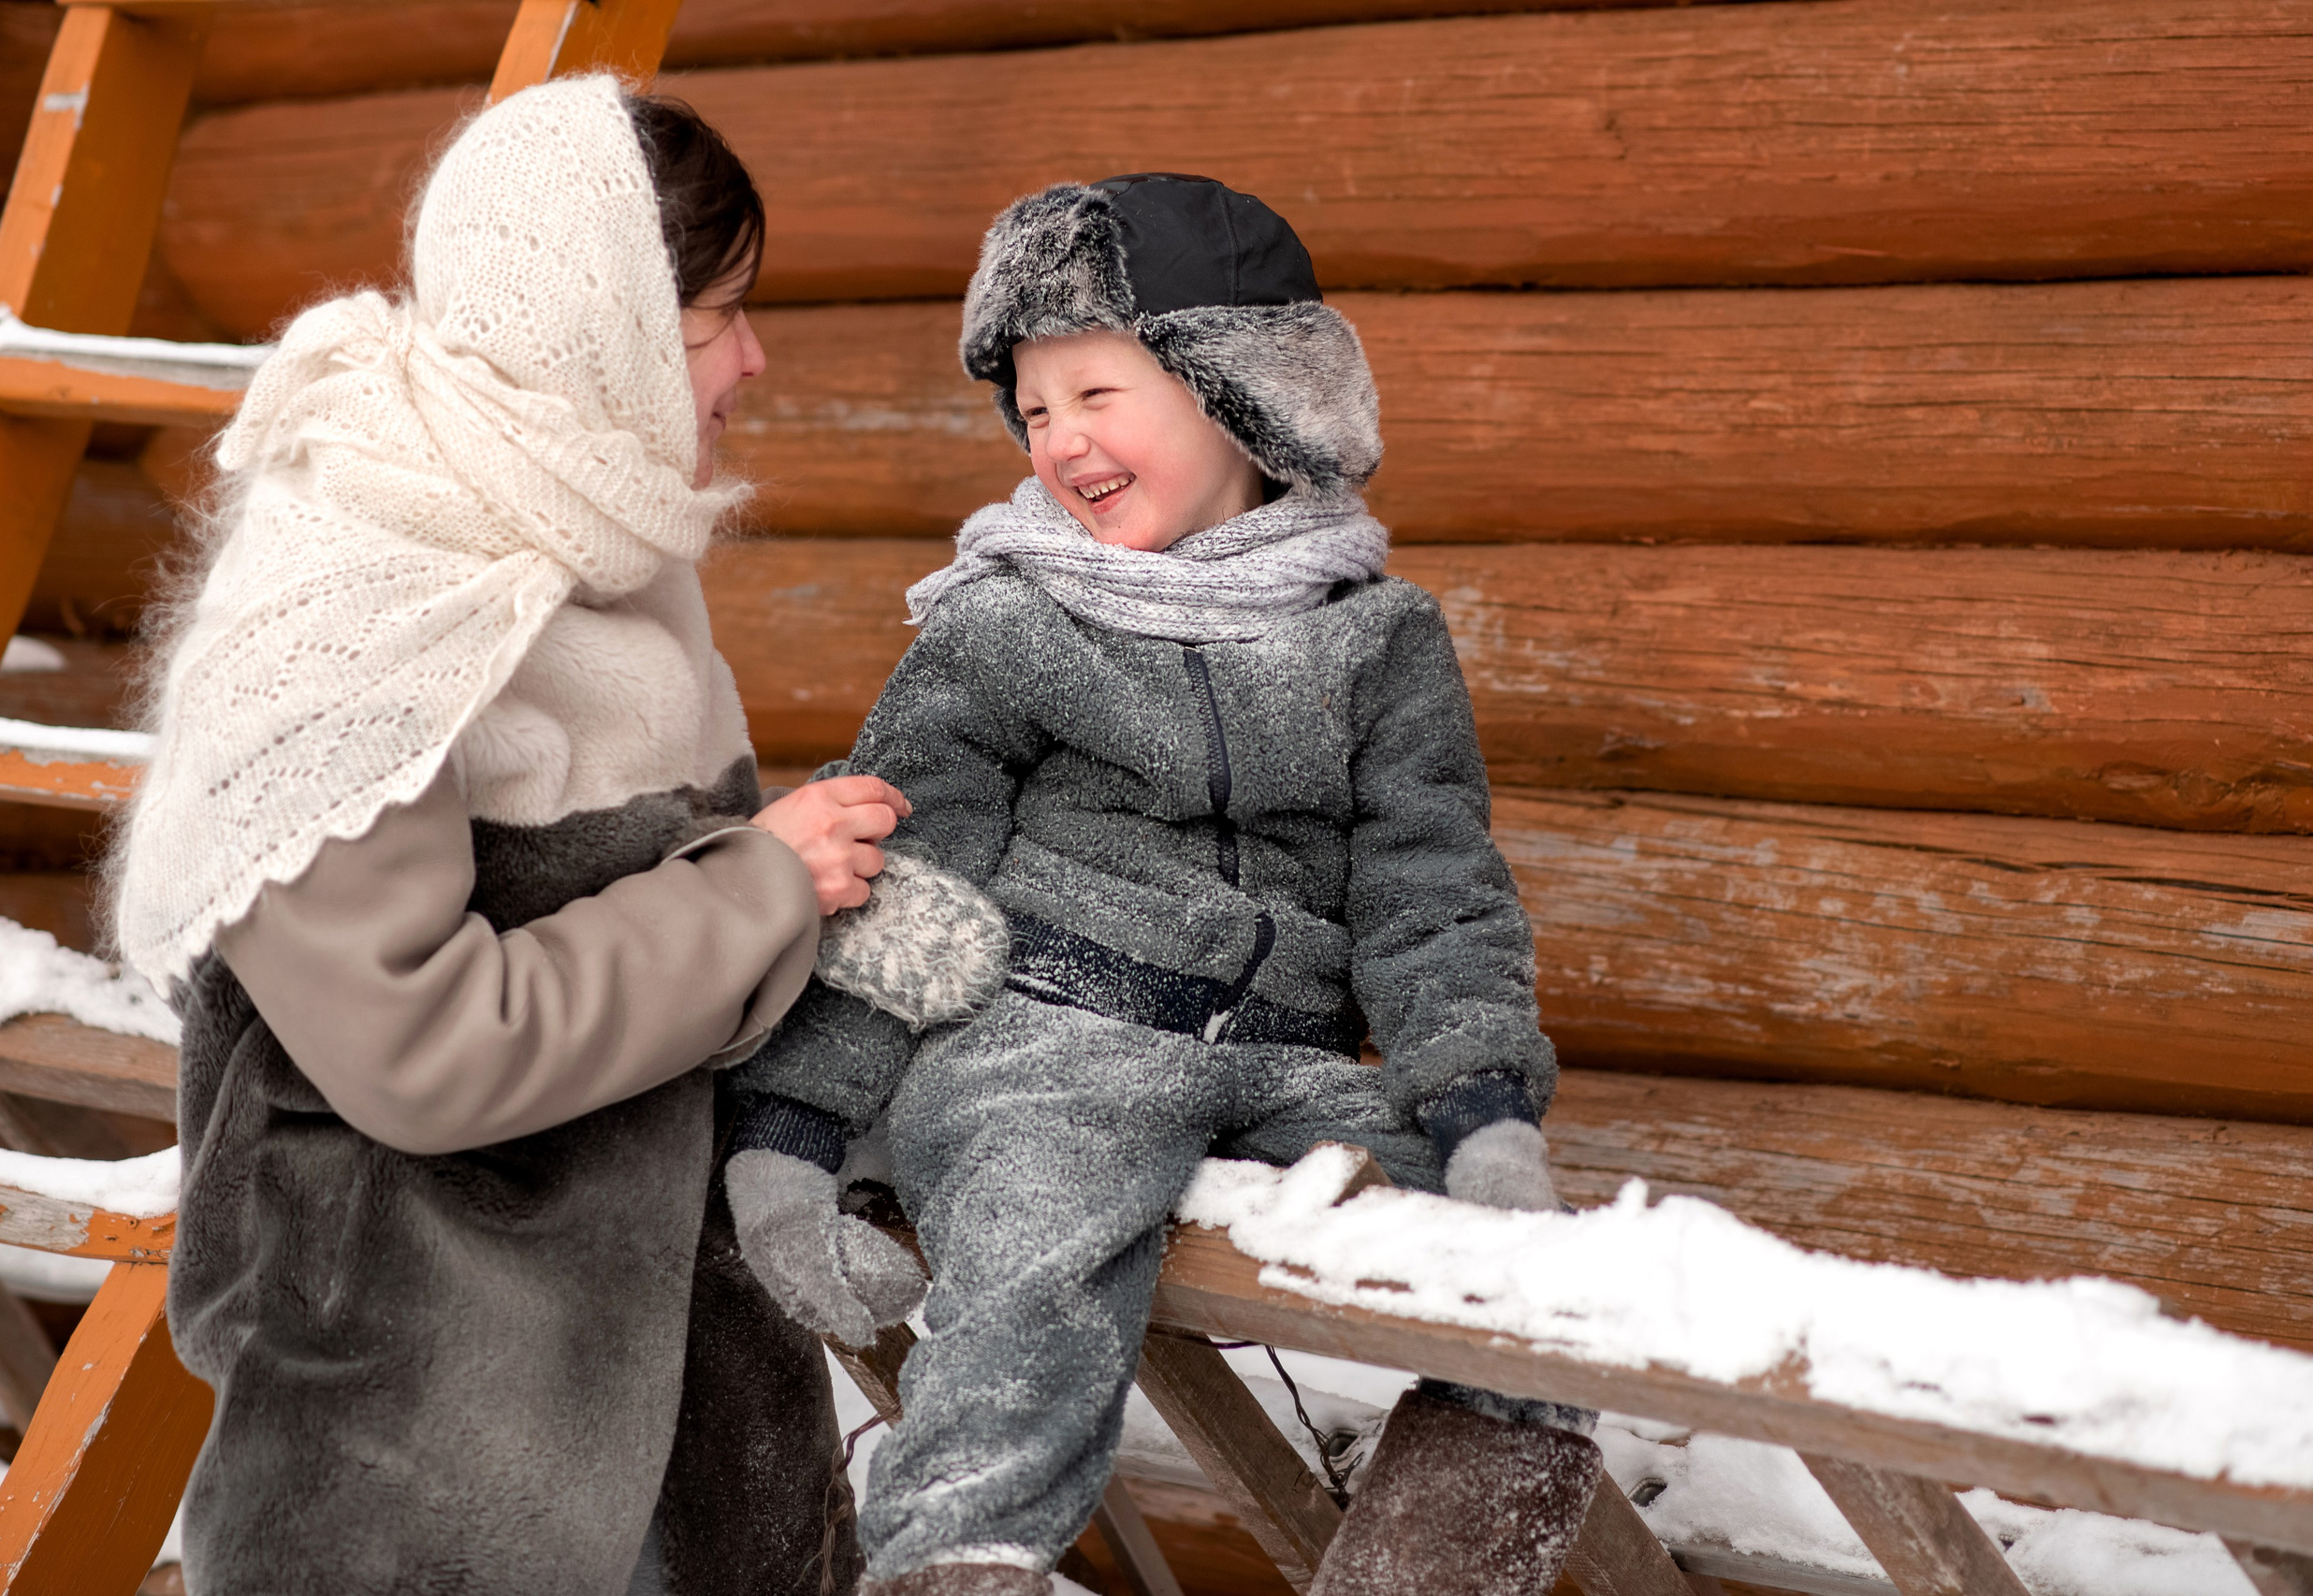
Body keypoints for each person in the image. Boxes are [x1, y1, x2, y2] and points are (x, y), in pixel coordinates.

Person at [717, 175, 1602, 1596]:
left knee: (1538, 1299)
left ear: (1240, 395)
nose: (1059, 438)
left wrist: (1483, 1107)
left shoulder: (1374, 639)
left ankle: (1423, 1566)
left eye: (1094, 391)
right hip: (1041, 1048)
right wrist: (793, 1125)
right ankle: (960, 1560)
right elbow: (900, 878)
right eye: (1034, 406)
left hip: (1281, 1066)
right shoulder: (1005, 624)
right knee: (1035, 1250)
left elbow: (1430, 888)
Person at [113, 77, 911, 1596]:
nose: (756, 358)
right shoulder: (356, 599)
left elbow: (695, 895)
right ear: (600, 328)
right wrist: (757, 890)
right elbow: (420, 1047)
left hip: (673, 1393)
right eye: (719, 318)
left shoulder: (594, 529)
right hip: (429, 1438)